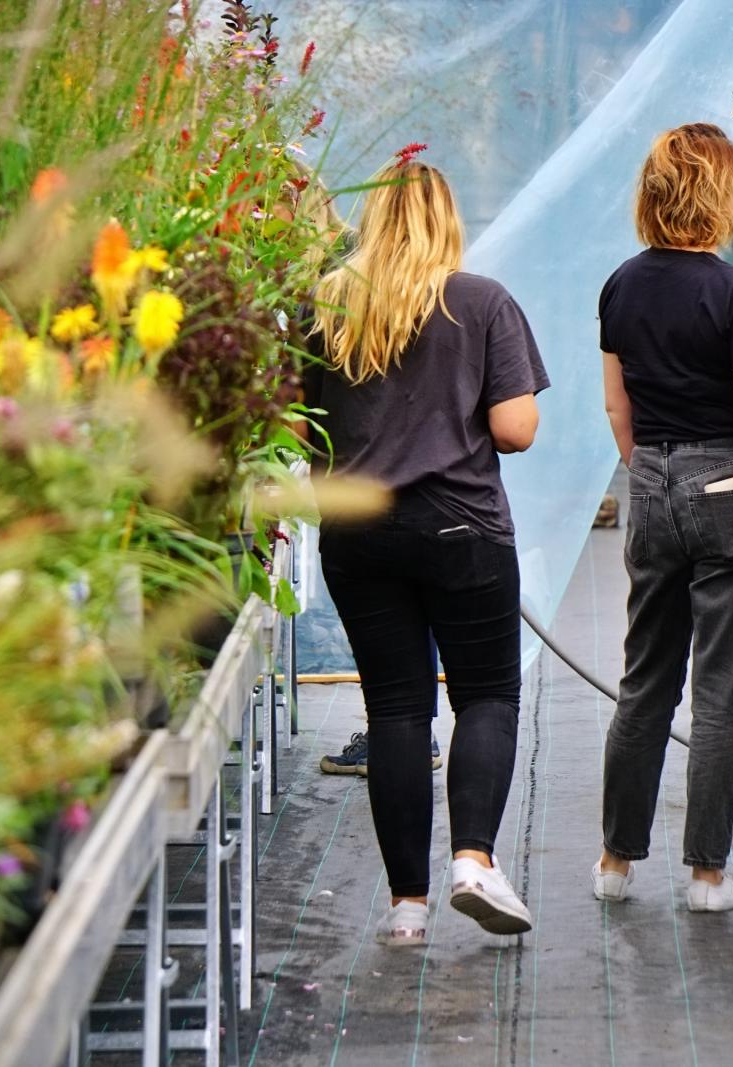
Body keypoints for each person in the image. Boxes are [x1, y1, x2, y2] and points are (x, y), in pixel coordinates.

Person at [303, 159, 549, 945]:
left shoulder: (325, 307)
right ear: (448, 221)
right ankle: (472, 861)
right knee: (486, 697)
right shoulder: (480, 303)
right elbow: (514, 428)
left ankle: (405, 906)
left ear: (370, 220)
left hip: (357, 534)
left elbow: (299, 426)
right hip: (461, 528)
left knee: (397, 709)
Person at [591, 123, 733, 913]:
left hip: (653, 479)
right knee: (721, 692)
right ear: (723, 195)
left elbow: (618, 406)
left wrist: (651, 470)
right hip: (730, 487)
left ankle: (614, 862)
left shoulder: (620, 285)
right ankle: (707, 875)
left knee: (645, 681)